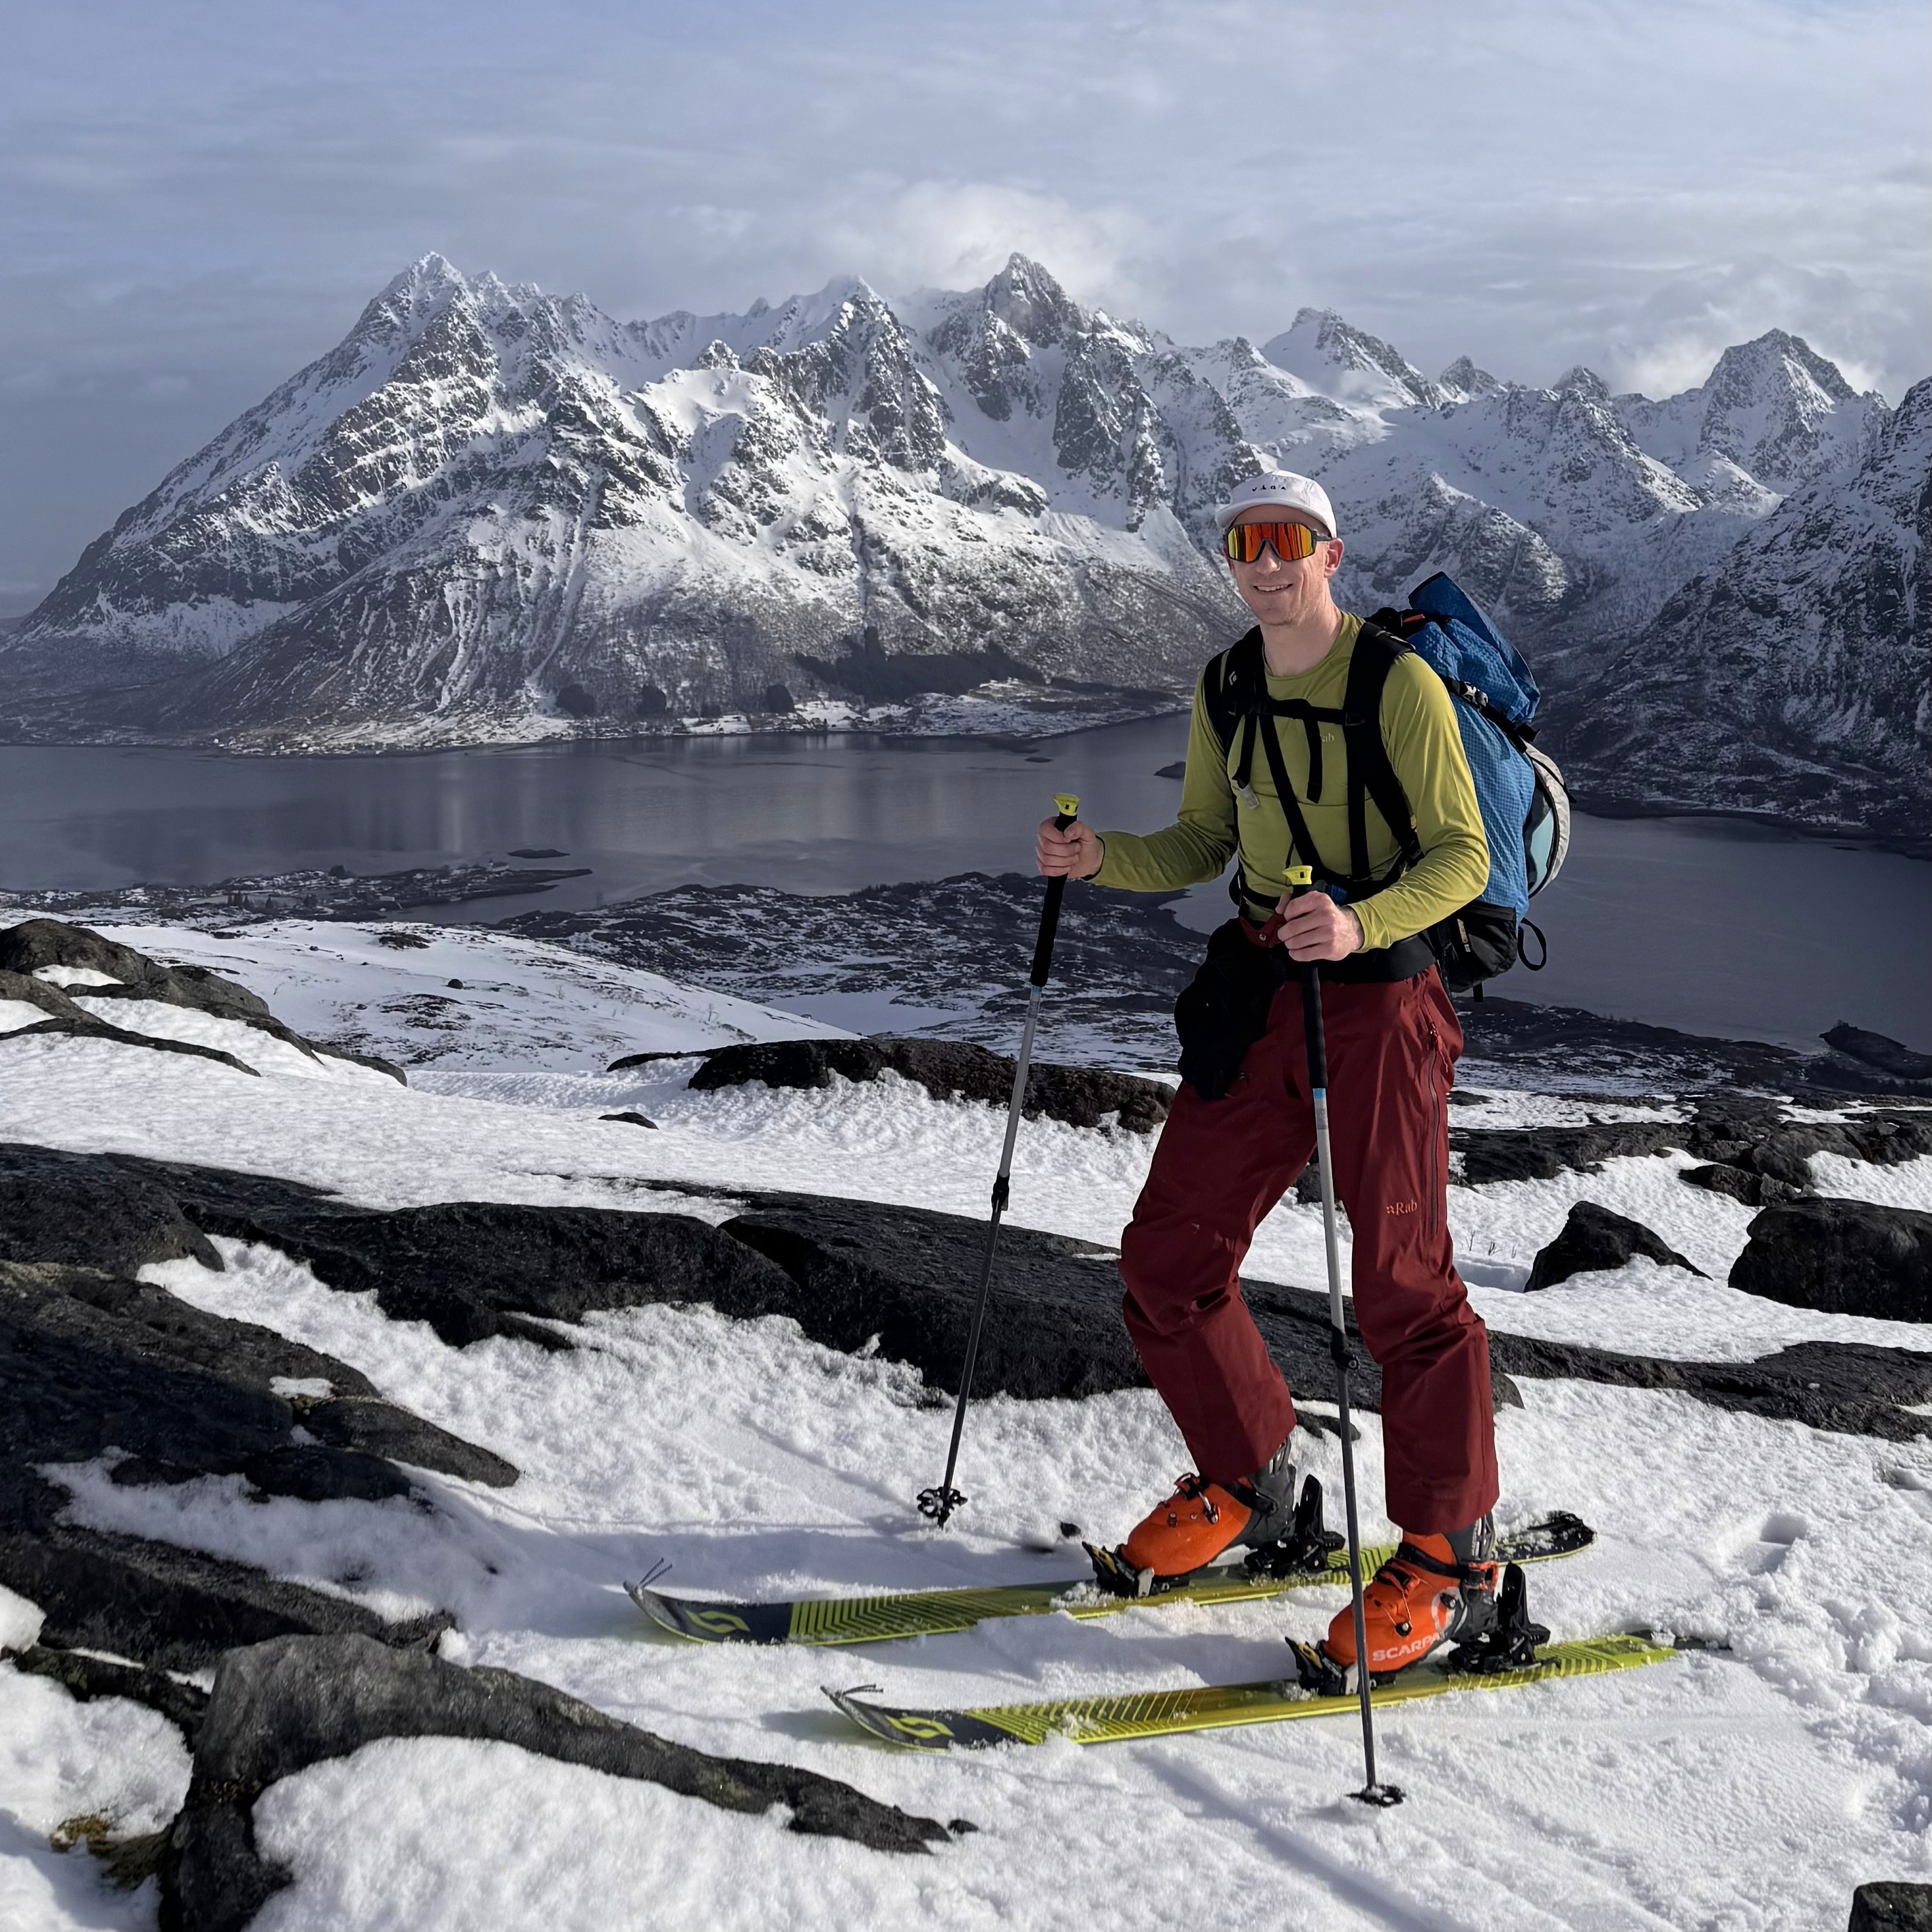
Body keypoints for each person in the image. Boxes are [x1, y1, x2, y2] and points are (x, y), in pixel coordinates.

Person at [1035, 471, 1501, 1678]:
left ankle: (1453, 1562)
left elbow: (1461, 856)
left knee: (1402, 1287)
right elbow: (1202, 839)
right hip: (1257, 989)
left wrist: (1358, 923)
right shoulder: (1227, 684)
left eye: (1287, 539)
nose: (1264, 560)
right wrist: (1098, 858)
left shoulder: (1394, 685)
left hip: (1380, 998)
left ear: (1329, 553)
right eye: (1244, 542)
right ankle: (1252, 1486)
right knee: (1167, 1258)